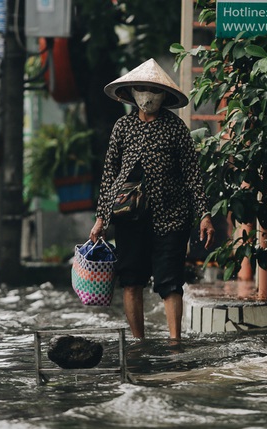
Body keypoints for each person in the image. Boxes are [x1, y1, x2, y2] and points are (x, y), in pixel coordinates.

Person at [89, 58, 215, 340]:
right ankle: (138, 343)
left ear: (164, 96)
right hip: (129, 217)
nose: (147, 95)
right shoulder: (122, 127)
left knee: (170, 283)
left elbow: (193, 175)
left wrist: (204, 215)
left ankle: (174, 342)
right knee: (131, 281)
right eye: (142, 89)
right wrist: (101, 219)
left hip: (171, 217)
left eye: (153, 90)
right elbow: (109, 175)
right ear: (132, 93)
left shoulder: (175, 128)